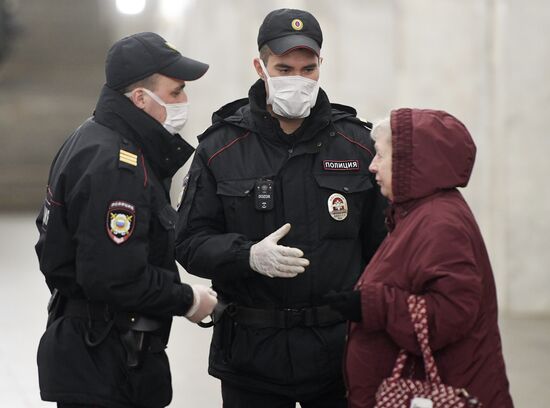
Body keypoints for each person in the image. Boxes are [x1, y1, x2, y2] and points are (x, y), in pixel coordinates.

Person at [175, 8, 387, 407]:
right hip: (252, 355)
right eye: (284, 68)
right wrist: (247, 255)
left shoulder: (358, 146)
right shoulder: (220, 148)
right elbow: (188, 242)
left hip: (337, 354)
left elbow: (384, 249)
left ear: (321, 65)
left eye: (308, 69)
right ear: (260, 66)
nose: (298, 80)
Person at [35, 32, 218, 408]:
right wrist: (188, 299)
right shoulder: (117, 165)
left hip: (93, 352)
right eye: (176, 91)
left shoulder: (91, 136)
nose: (184, 101)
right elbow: (114, 275)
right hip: (106, 359)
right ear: (140, 98)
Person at [328, 108, 514, 407]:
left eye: (380, 156)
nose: (372, 167)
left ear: (407, 162)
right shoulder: (420, 213)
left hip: (441, 389)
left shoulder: (440, 223)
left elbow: (451, 313)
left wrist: (373, 305)